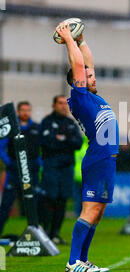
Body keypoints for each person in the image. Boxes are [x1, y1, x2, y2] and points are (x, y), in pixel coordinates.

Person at [56, 22, 119, 272]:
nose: (93, 77)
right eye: (87, 76)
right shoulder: (79, 97)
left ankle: (82, 260)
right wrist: (68, 41)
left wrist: (81, 40)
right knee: (89, 211)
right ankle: (73, 262)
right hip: (97, 160)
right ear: (77, 81)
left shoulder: (93, 95)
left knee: (98, 213)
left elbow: (87, 64)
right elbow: (80, 66)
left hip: (107, 160)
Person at [40, 95, 82, 245]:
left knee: (62, 200)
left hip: (66, 168)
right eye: (60, 103)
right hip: (51, 167)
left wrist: (61, 139)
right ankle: (46, 233)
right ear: (54, 105)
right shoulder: (47, 122)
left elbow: (78, 143)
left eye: (66, 103)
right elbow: (46, 143)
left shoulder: (71, 123)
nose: (64, 106)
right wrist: (66, 142)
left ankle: (55, 233)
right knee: (49, 199)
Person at [0, 101, 40, 236]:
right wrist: (9, 163)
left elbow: (41, 150)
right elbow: (1, 148)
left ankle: (36, 234)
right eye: (23, 110)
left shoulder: (35, 128)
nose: (26, 113)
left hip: (31, 172)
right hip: (14, 173)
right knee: (6, 204)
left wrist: (38, 164)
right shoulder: (11, 128)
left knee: (33, 205)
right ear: (17, 111)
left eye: (28, 110)